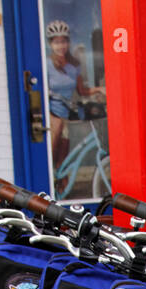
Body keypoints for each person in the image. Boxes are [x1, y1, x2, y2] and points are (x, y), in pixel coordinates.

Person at [46, 19, 103, 192]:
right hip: (52, 114)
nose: (61, 46)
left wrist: (100, 89)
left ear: (68, 43)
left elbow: (82, 90)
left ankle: (61, 188)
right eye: (56, 42)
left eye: (63, 41)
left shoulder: (73, 66)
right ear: (51, 44)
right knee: (52, 153)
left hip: (66, 113)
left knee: (63, 158)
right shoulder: (47, 64)